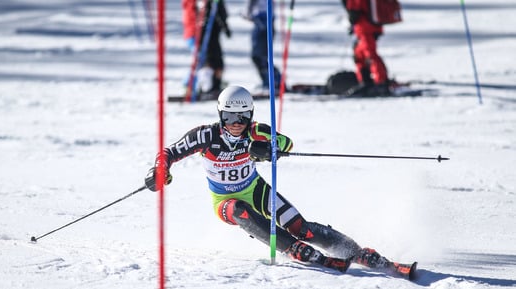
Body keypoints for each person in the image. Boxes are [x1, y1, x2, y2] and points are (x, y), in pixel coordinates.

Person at [144, 85, 405, 273]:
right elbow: (169, 153)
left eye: (243, 117)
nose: (236, 123)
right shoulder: (205, 136)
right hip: (224, 200)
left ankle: (354, 251)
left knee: (302, 227)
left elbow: (286, 143)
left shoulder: (256, 131)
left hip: (256, 189)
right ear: (221, 115)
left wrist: (268, 149)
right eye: (230, 117)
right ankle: (291, 248)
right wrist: (159, 171)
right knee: (241, 212)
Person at [182, 0, 231, 96]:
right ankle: (192, 85)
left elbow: (221, 11)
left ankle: (214, 84)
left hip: (209, 33)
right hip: (197, 34)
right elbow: (191, 15)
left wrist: (225, 26)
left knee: (214, 61)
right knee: (201, 60)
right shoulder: (194, 3)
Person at [342, 0, 391, 97]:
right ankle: (366, 82)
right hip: (365, 27)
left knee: (370, 55)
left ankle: (381, 83)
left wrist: (352, 17)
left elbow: (354, 11)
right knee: (359, 55)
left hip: (366, 27)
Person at [243, 0, 282, 91]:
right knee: (261, 57)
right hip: (265, 19)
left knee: (259, 57)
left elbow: (249, 8)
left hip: (262, 20)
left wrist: (247, 14)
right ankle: (275, 81)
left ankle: (273, 82)